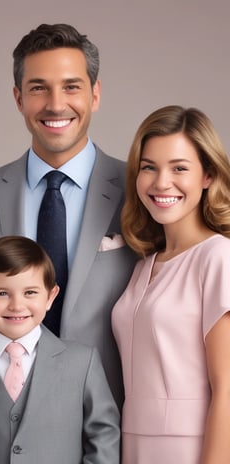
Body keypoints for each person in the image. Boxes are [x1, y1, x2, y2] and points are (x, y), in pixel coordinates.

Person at [0, 23, 136, 407]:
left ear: (95, 94)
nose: (55, 104)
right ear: (18, 98)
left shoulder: (140, 192)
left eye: (71, 86)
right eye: (38, 88)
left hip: (110, 423)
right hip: (5, 428)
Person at [0, 235, 120, 464]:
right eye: (2, 293)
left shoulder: (83, 362)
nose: (17, 305)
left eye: (30, 292)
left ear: (50, 297)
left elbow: (103, 434)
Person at [111, 105, 230, 463]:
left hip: (189, 447)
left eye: (179, 168)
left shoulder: (219, 257)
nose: (162, 182)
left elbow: (227, 387)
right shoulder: (143, 266)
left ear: (207, 175)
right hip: (132, 443)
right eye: (149, 167)